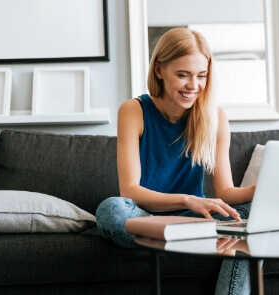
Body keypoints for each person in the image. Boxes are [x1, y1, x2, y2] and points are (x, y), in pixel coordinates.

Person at [96, 27, 256, 295]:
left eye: (201, 76)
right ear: (159, 70)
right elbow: (130, 192)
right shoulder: (133, 110)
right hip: (146, 217)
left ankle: (197, 236)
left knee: (251, 213)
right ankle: (201, 235)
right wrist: (187, 199)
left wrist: (263, 191)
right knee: (110, 210)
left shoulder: (215, 117)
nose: (193, 86)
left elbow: (226, 193)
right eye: (183, 75)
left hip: (193, 218)